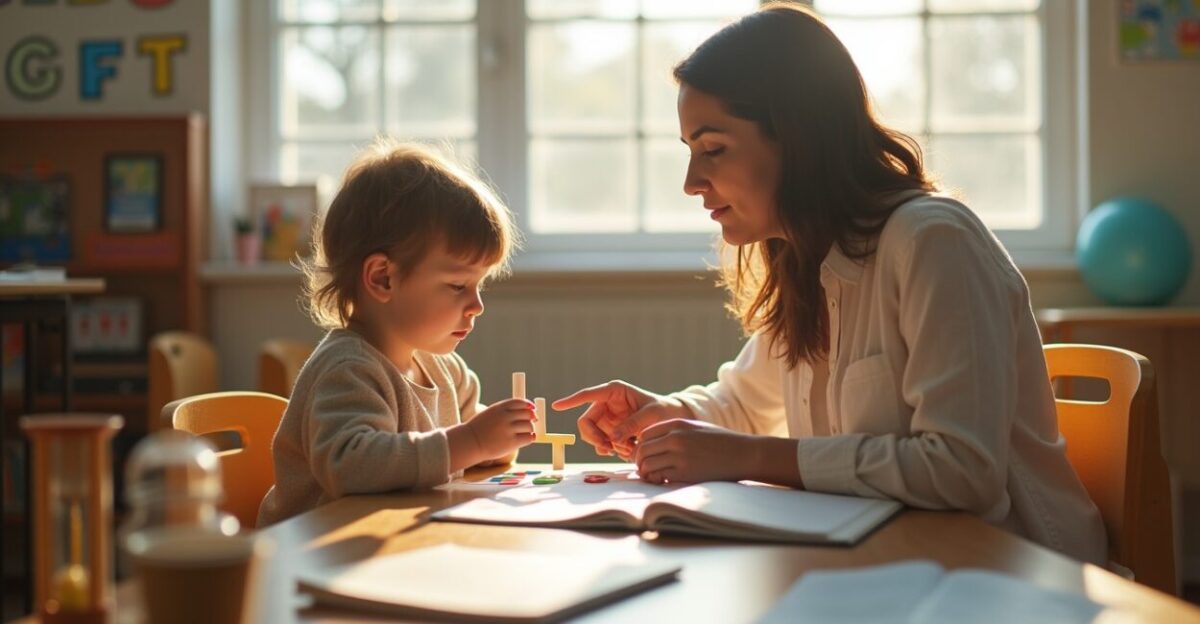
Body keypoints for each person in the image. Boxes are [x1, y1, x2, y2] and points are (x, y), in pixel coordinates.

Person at [553, 3, 1106, 565]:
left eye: (713, 149)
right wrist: (667, 412)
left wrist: (750, 458)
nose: (692, 183)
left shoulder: (933, 242)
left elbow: (961, 473)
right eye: (691, 153)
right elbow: (743, 402)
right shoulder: (808, 258)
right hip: (892, 558)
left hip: (1009, 572)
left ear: (798, 139)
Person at [258, 140, 536, 526]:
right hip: (316, 557)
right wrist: (472, 441)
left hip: (388, 543)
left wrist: (501, 436)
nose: (477, 305)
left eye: (480, 285)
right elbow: (351, 465)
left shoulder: (446, 370)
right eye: (458, 286)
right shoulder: (347, 369)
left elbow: (470, 448)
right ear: (382, 278)